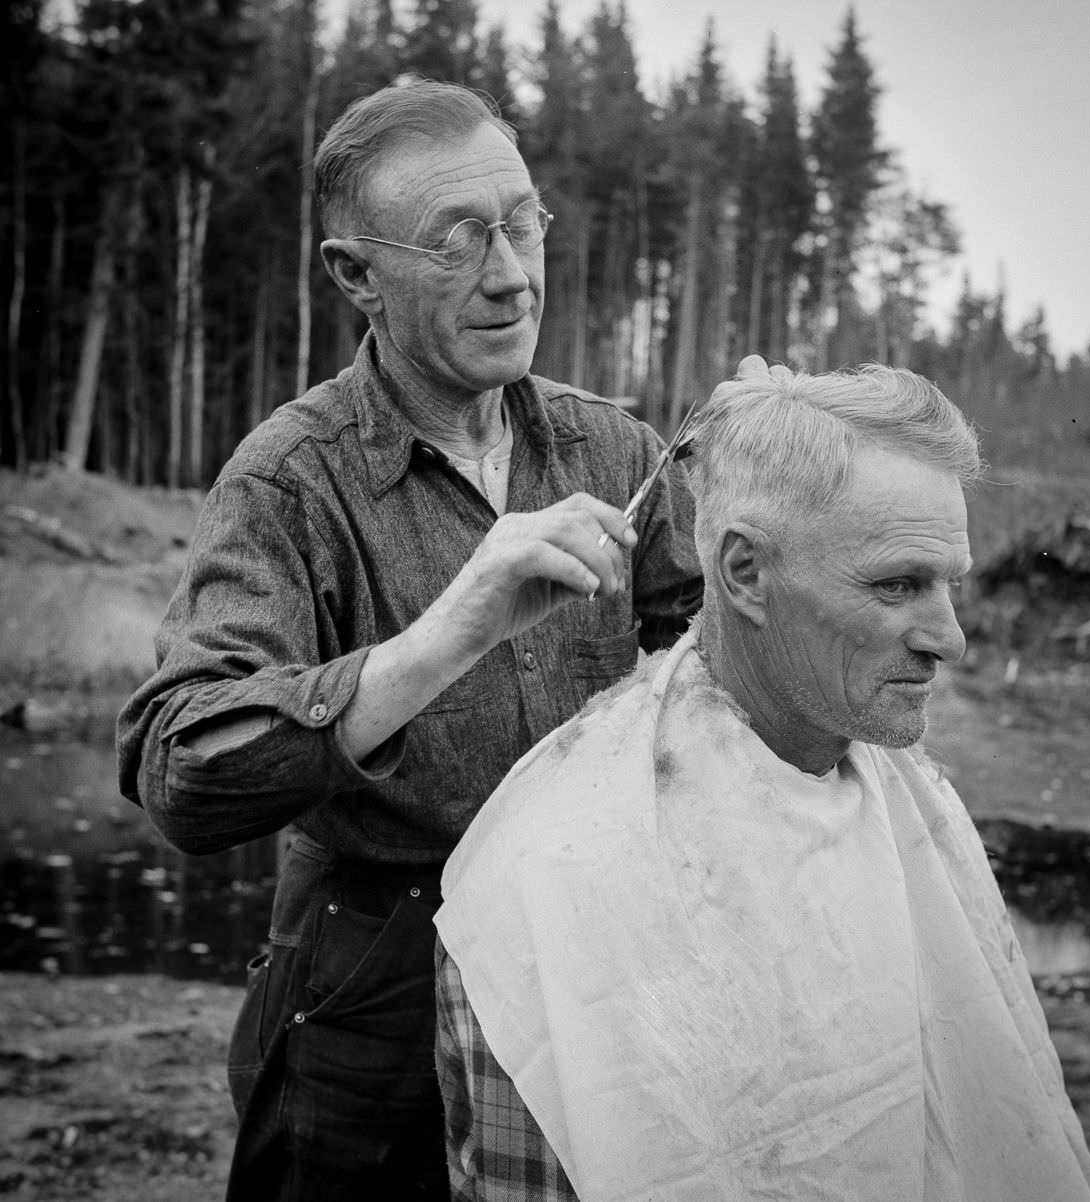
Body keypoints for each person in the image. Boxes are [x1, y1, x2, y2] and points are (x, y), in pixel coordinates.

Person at [115, 80, 701, 1202]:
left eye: (523, 221)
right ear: (354, 274)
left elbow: (704, 667)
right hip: (368, 990)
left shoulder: (615, 448)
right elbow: (183, 769)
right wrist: (454, 629)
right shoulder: (291, 480)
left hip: (591, 976)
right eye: (457, 239)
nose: (512, 273)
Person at [433, 356, 1090, 1201]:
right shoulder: (549, 875)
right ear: (745, 573)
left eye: (948, 586)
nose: (950, 639)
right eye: (897, 584)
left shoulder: (913, 796)